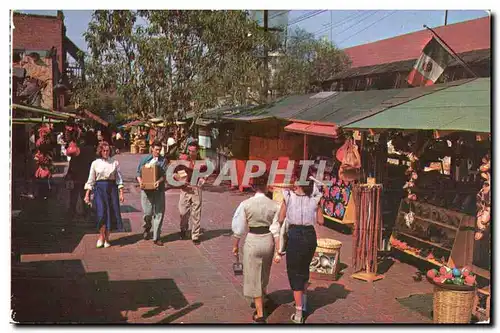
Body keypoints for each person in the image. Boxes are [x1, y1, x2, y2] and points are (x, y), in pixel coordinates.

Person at [275, 169, 324, 324]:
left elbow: (281, 217)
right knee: (303, 268)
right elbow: (321, 221)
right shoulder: (314, 199)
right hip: (310, 235)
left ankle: (298, 312)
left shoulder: (288, 196)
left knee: (295, 272)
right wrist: (319, 204)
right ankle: (303, 301)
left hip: (295, 234)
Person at [231, 174, 281, 323]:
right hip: (268, 241)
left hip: (252, 241)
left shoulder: (245, 204)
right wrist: (279, 249)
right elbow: (276, 228)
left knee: (253, 277)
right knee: (264, 273)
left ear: (253, 187)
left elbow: (238, 228)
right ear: (266, 186)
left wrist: (235, 245)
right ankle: (263, 298)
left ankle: (260, 313)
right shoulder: (274, 205)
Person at [84, 141, 125, 248]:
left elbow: (119, 179)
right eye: (104, 151)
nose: (106, 153)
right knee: (101, 213)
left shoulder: (114, 163)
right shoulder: (95, 163)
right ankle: (101, 236)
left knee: (110, 213)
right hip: (99, 190)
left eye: (108, 151)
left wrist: (121, 193)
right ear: (100, 151)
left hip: (111, 190)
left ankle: (107, 238)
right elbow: (91, 179)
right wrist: (87, 194)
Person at [174, 142, 207, 245]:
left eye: (193, 151)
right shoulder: (183, 160)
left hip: (196, 189)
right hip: (184, 189)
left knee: (196, 213)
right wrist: (178, 178)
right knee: (183, 212)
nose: (191, 153)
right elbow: (174, 173)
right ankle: (183, 228)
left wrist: (203, 179)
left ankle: (195, 236)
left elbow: (205, 174)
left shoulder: (202, 162)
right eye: (189, 150)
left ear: (197, 151)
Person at [136, 141, 168, 246]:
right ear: (152, 149)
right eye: (156, 149)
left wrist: (158, 182)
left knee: (159, 213)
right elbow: (138, 173)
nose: (158, 152)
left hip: (158, 190)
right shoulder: (144, 159)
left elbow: (164, 175)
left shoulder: (163, 161)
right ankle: (147, 227)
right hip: (146, 190)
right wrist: (140, 182)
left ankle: (156, 237)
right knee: (147, 213)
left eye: (160, 150)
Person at [65, 131, 96, 220]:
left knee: (84, 197)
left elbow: (93, 164)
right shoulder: (73, 156)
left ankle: (86, 213)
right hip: (76, 179)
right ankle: (72, 212)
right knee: (73, 197)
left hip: (85, 179)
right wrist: (68, 175)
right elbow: (71, 166)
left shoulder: (88, 151)